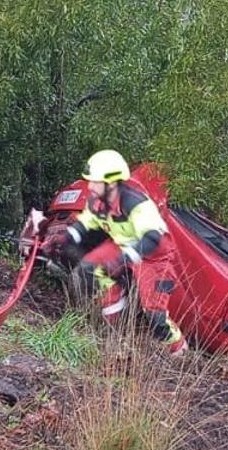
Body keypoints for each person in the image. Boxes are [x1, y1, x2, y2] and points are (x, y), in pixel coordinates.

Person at [44, 150, 187, 354]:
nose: (90, 186)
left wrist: (124, 258)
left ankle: (178, 349)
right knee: (88, 270)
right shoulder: (97, 201)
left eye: (95, 182)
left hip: (153, 257)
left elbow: (152, 238)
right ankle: (116, 330)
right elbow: (85, 224)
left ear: (111, 183)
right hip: (122, 244)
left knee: (155, 317)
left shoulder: (137, 204)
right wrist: (65, 238)